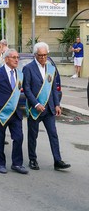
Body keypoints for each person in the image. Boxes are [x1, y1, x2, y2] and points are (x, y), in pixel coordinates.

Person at [22, 42, 71, 171]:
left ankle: (57, 160)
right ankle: (32, 159)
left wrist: (57, 104)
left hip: (49, 109)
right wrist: (36, 104)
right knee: (33, 135)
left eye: (45, 55)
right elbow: (26, 89)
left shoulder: (50, 68)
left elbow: (53, 89)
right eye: (40, 55)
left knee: (53, 134)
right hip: (35, 109)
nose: (43, 58)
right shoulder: (28, 68)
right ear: (35, 55)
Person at [0, 49, 28, 174]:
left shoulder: (20, 74)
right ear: (6, 59)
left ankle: (17, 164)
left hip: (15, 113)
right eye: (13, 57)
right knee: (0, 139)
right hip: (0, 113)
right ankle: (1, 163)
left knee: (19, 138)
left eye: (17, 57)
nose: (16, 60)